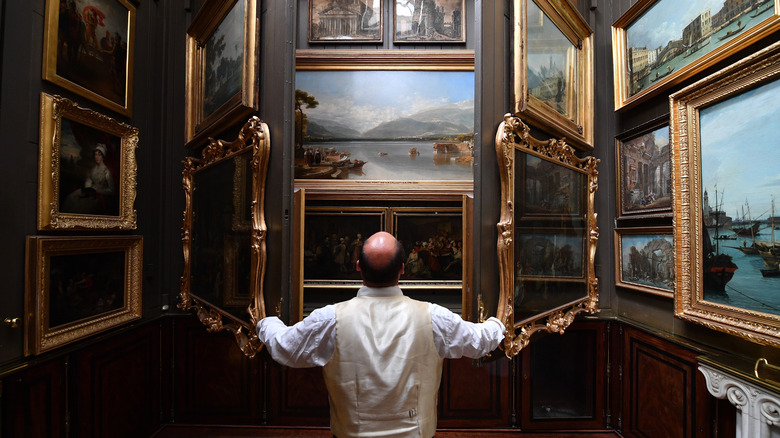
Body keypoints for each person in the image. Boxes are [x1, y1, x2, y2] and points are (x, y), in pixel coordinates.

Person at [257, 231, 506, 438]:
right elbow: (480, 341)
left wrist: (265, 321)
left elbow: (283, 347)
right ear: (403, 269)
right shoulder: (433, 317)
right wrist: (500, 320)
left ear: (357, 267)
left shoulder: (330, 319)